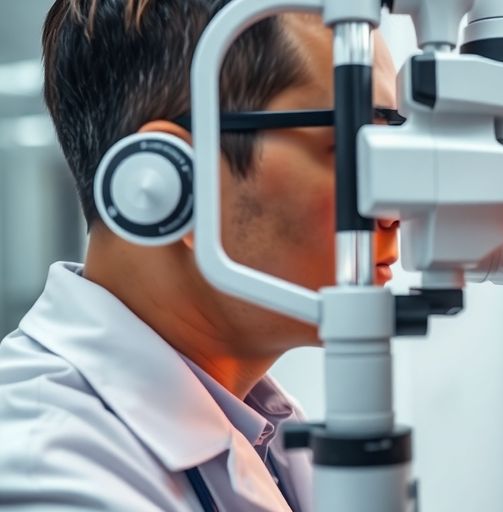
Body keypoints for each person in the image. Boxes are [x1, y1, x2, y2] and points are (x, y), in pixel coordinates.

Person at [0, 1, 399, 510]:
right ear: (168, 181)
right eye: (354, 146)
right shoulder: (47, 475)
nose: (395, 211)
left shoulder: (262, 425)